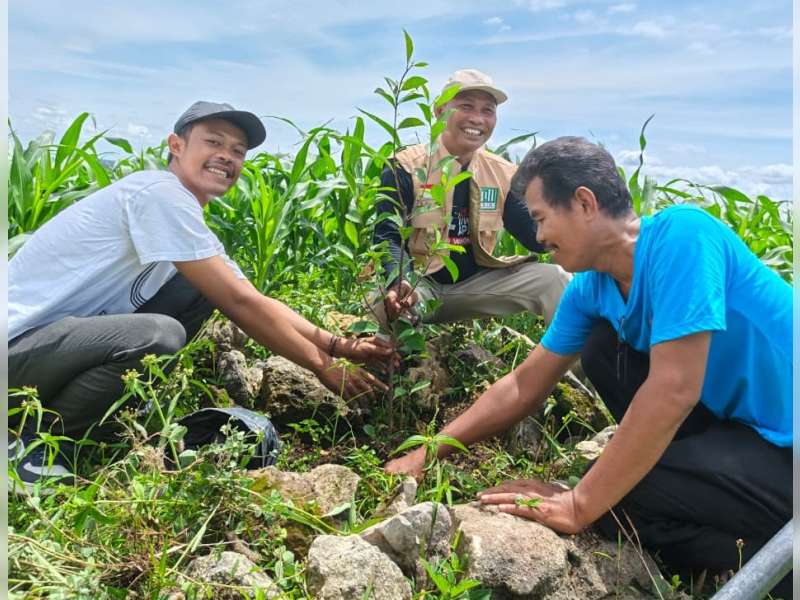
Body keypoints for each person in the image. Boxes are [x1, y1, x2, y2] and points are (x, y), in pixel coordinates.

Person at [386, 137, 792, 597]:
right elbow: (523, 383)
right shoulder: (592, 288)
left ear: (583, 202)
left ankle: (780, 566)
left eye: (540, 218)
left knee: (616, 497)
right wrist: (425, 454)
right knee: (604, 355)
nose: (537, 237)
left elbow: (674, 389)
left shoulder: (684, 237)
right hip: (734, 434)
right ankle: (749, 545)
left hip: (786, 445)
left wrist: (580, 501)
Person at [9, 101, 393, 492]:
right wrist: (321, 365)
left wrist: (337, 345)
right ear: (176, 145)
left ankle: (95, 420)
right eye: (213, 142)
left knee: (197, 290)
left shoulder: (189, 222)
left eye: (238, 151)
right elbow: (239, 306)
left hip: (48, 355)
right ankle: (29, 445)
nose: (226, 156)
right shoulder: (158, 193)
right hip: (17, 350)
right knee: (159, 334)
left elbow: (250, 296)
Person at [372, 69, 569, 326]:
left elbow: (533, 235)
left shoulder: (503, 174)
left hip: (475, 288)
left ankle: (586, 366)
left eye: (488, 110)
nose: (477, 119)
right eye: (466, 106)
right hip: (419, 287)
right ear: (440, 111)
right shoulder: (406, 166)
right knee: (385, 306)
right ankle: (395, 360)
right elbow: (388, 236)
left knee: (555, 280)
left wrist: (573, 235)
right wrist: (399, 282)